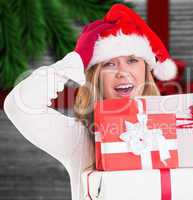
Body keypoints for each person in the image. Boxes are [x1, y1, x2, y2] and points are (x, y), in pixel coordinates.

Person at [3, 3, 177, 200]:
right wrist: (74, 62)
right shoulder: (79, 138)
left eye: (132, 60)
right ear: (96, 78)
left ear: (146, 69)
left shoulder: (174, 131)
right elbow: (18, 106)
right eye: (109, 64)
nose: (122, 72)